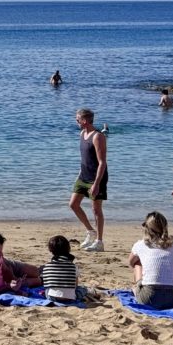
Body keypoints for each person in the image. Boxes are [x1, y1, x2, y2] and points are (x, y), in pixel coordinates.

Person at [129, 211, 173, 309]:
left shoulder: (141, 244)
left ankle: (136, 288)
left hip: (151, 297)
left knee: (137, 263)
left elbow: (131, 262)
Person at [70, 108, 108, 252]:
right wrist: (79, 175)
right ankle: (90, 231)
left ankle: (99, 241)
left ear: (84, 120)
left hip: (96, 177)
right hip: (83, 176)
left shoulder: (97, 137)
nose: (76, 121)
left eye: (78, 119)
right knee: (73, 204)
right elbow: (84, 159)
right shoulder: (82, 133)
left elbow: (102, 162)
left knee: (96, 209)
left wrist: (97, 183)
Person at [40, 235, 81, 303]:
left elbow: (46, 284)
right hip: (70, 298)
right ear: (68, 248)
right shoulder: (73, 266)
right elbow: (75, 285)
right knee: (82, 290)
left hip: (52, 298)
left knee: (47, 290)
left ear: (51, 250)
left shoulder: (47, 266)